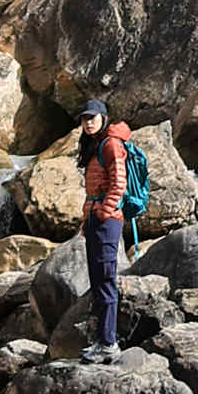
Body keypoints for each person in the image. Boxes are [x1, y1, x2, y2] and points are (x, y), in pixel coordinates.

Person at [76, 99, 133, 363]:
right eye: (85, 118)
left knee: (106, 279)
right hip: (95, 219)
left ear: (103, 118)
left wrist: (103, 211)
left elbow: (118, 182)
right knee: (98, 280)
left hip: (106, 221)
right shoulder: (95, 144)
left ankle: (108, 342)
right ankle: (102, 339)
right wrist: (87, 220)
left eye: (93, 118)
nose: (88, 122)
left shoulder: (111, 144)